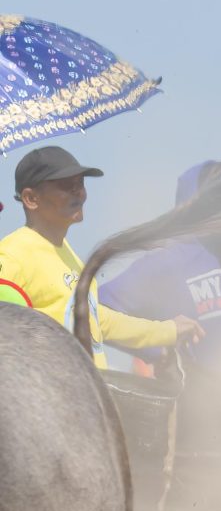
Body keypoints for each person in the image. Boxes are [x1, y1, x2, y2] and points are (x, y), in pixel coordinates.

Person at [0, 143, 202, 362]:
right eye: (66, 185)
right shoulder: (12, 254)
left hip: (88, 391)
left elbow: (99, 320)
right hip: (48, 393)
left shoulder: (68, 255)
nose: (78, 192)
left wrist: (168, 331)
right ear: (31, 199)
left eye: (80, 184)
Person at [97, 158, 221, 372]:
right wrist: (159, 350)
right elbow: (94, 311)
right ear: (205, 205)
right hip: (205, 403)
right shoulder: (168, 262)